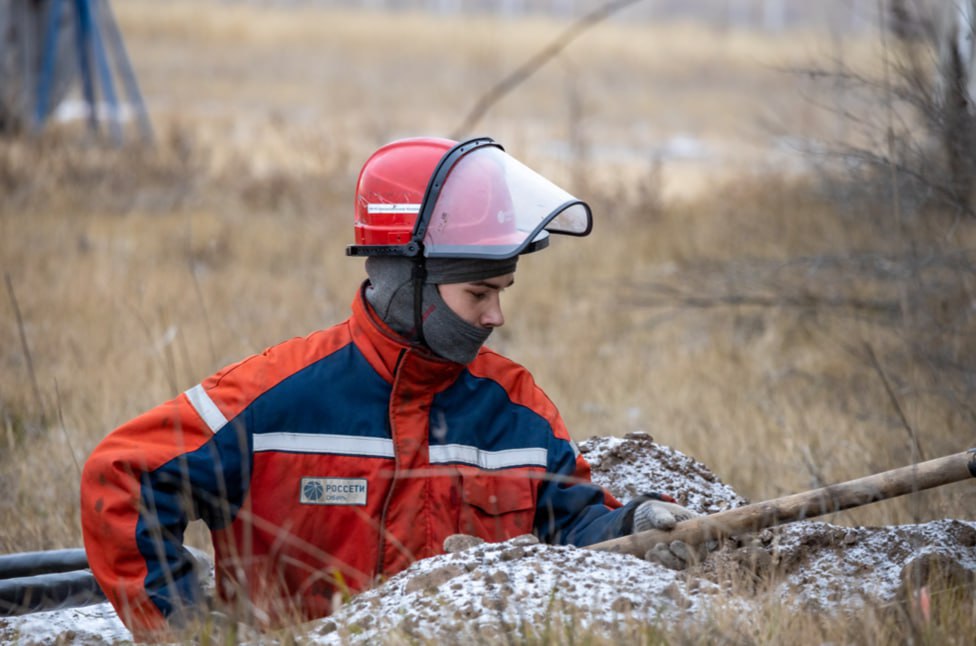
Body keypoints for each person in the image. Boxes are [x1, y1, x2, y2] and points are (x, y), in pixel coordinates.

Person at [80, 136, 697, 640]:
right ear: (412, 285)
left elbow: (575, 524)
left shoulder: (517, 409)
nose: (496, 317)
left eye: (502, 292)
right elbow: (122, 476)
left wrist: (632, 526)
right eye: (478, 294)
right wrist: (187, 633)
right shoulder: (274, 396)